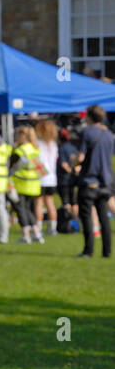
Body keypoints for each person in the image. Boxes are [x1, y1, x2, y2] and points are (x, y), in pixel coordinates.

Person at [73, 104, 113, 259]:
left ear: (89, 116)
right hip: (105, 181)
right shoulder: (108, 134)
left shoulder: (87, 132)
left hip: (88, 181)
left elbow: (81, 157)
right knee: (104, 217)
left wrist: (74, 163)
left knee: (87, 217)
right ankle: (107, 251)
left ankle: (88, 251)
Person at [9, 125, 44, 244]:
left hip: (21, 183)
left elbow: (10, 165)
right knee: (28, 209)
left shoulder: (20, 150)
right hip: (34, 184)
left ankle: (26, 234)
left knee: (21, 209)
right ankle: (37, 233)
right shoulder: (35, 149)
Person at [35, 119, 60, 237]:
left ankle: (38, 228)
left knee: (39, 203)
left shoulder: (38, 144)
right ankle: (52, 228)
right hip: (52, 178)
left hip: (41, 178)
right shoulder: (53, 145)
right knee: (50, 202)